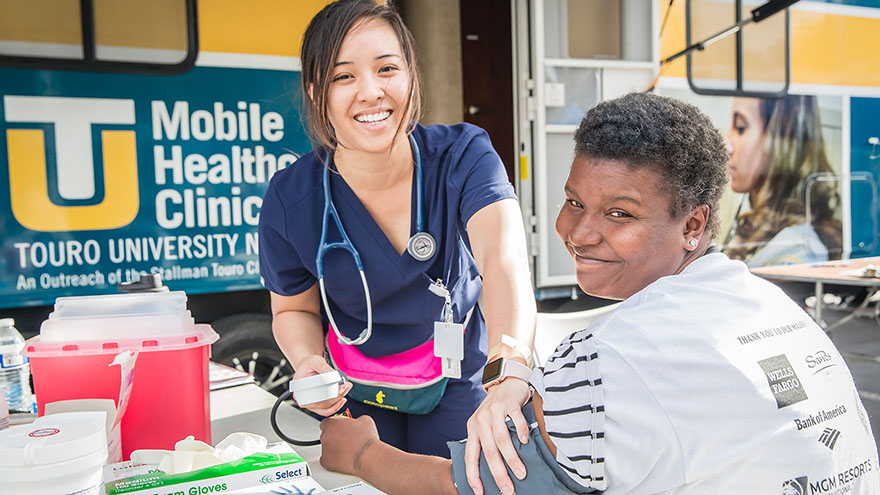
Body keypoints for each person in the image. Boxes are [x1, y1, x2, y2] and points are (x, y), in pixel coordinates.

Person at [318, 93, 880, 494]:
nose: (580, 233)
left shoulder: (602, 359)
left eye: (620, 214)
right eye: (574, 201)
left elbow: (474, 486)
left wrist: (362, 454)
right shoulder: (772, 304)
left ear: (693, 224)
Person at [258, 0, 536, 458]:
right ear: (314, 91)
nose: (371, 92)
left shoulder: (465, 156)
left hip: (456, 376)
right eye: (343, 76)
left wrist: (509, 373)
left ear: (411, 75)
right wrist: (308, 361)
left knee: (460, 480)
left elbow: (502, 263)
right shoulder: (291, 199)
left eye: (387, 68)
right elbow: (293, 311)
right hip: (354, 387)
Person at [723, 95, 842, 267]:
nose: (727, 145)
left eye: (740, 127)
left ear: (781, 140)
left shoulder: (800, 250)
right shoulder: (759, 228)